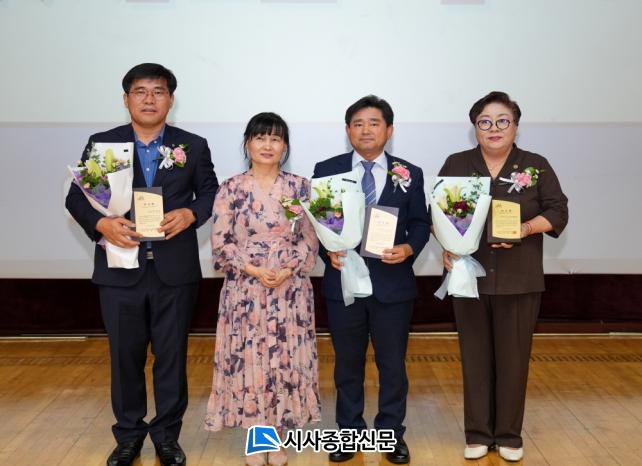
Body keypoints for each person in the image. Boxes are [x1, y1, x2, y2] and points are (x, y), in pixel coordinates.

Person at [65, 63, 219, 466]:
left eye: (158, 91)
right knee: (124, 359)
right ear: (126, 99)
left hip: (174, 271)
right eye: (140, 91)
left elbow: (210, 193)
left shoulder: (193, 145)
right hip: (119, 270)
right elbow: (77, 198)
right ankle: (128, 436)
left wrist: (191, 213)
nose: (149, 99)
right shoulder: (104, 144)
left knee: (172, 357)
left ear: (171, 99)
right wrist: (101, 224)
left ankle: (167, 437)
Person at [438, 91, 568, 462]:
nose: (493, 128)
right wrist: (446, 244)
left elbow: (558, 211)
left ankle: (509, 435)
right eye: (485, 122)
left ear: (515, 126)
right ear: (475, 127)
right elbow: (439, 211)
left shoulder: (535, 165)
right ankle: (478, 434)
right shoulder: (457, 163)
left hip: (519, 280)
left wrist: (525, 228)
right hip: (469, 277)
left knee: (513, 360)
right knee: (475, 359)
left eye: (502, 121)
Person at [312, 95, 430, 464]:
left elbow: (420, 223)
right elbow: (318, 223)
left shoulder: (409, 172)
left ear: (389, 130)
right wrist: (327, 253)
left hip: (392, 284)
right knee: (347, 364)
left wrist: (408, 249)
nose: (366, 130)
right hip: (343, 281)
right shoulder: (326, 169)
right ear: (348, 130)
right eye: (358, 123)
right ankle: (348, 433)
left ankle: (391, 434)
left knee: (392, 365)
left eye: (374, 123)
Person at [205, 112, 321, 466]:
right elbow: (221, 243)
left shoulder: (301, 188)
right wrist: (254, 269)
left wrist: (287, 268)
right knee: (252, 359)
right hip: (246, 290)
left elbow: (311, 239)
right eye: (260, 138)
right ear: (247, 143)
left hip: (290, 289)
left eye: (275, 138)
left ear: (284, 146)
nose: (267, 145)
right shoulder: (231, 188)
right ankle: (258, 437)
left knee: (284, 359)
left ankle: (278, 438)